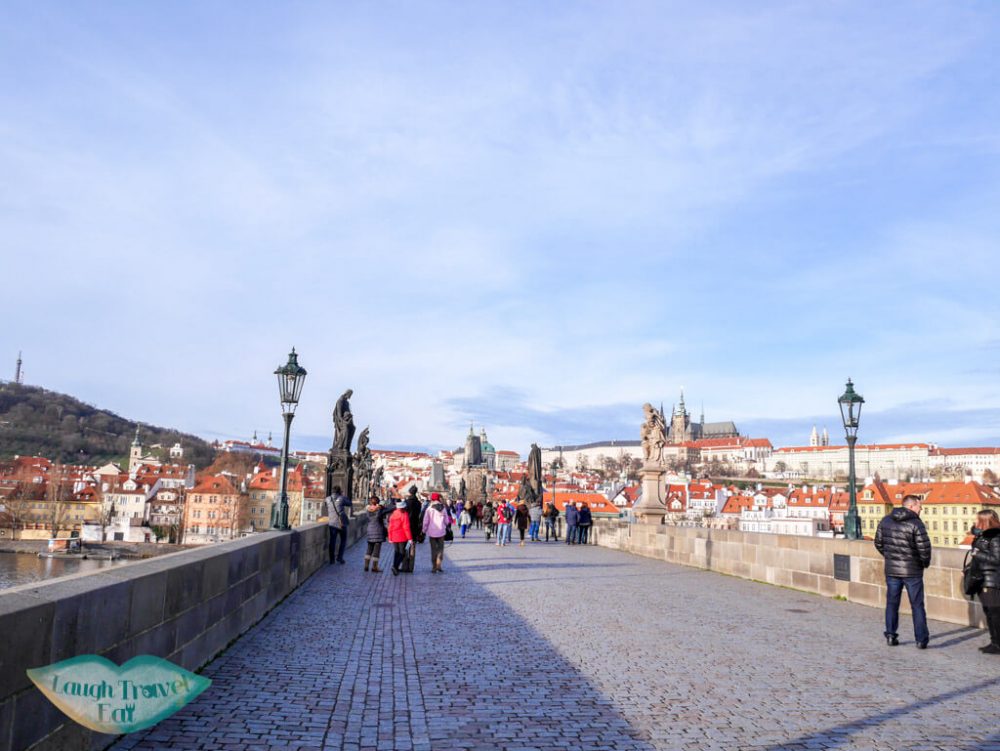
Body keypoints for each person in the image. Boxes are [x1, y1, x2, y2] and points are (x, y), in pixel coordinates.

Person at [874, 494, 932, 648]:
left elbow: (878, 543)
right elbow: (924, 549)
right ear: (911, 506)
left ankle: (890, 635)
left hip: (892, 570)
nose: (921, 509)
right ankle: (921, 639)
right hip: (912, 571)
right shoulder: (916, 523)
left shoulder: (886, 520)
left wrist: (891, 558)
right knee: (917, 605)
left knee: (892, 604)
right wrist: (923, 564)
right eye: (919, 506)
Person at [970, 509, 1000, 654]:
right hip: (983, 578)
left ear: (985, 521)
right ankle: (994, 642)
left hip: (992, 580)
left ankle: (998, 644)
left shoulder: (996, 537)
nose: (975, 522)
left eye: (978, 520)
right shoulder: (982, 536)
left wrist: (978, 554)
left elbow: (997, 559)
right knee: (989, 612)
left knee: (995, 613)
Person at [422, 492, 454, 573]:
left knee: (433, 549)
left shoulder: (429, 509)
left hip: (432, 532)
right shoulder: (443, 508)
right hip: (441, 532)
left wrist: (424, 530)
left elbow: (425, 521)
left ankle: (434, 567)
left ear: (432, 499)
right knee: (440, 549)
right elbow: (447, 521)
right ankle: (439, 565)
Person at [364, 494, 392, 572]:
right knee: (376, 551)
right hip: (378, 532)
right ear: (378, 502)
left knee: (369, 549)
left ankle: (366, 566)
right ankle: (374, 567)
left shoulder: (368, 510)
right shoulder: (380, 510)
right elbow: (390, 509)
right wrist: (381, 507)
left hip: (370, 531)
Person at [325, 485, 352, 564]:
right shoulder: (342, 498)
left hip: (332, 523)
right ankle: (340, 557)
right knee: (343, 540)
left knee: (332, 541)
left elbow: (326, 505)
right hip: (341, 523)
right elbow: (349, 503)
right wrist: (343, 496)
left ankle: (332, 559)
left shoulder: (327, 499)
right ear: (339, 491)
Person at [387, 499, 413, 576]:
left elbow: (390, 527)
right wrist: (410, 538)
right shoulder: (404, 514)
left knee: (396, 552)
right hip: (402, 536)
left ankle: (395, 567)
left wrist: (390, 537)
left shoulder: (393, 514)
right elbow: (406, 527)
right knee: (402, 553)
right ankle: (395, 566)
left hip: (394, 536)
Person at [402, 486, 423, 573]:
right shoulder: (418, 503)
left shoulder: (406, 502)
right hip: (415, 527)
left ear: (410, 492)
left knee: (404, 547)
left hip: (406, 527)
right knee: (412, 547)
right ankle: (411, 567)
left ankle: (404, 566)